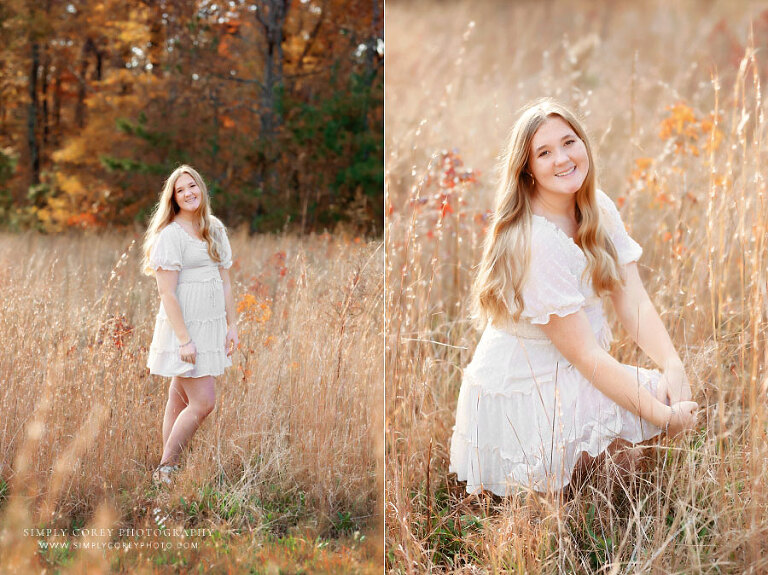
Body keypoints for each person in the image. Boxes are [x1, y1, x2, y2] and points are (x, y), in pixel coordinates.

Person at [449, 99, 699, 496]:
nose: (562, 158)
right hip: (528, 392)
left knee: (654, 407)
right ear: (527, 169)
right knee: (642, 424)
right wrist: (666, 418)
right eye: (544, 152)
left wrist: (672, 363)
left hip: (576, 370)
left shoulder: (595, 206)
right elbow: (585, 356)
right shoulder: (535, 241)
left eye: (569, 142)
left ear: (584, 143)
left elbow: (633, 300)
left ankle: (596, 490)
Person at [142, 165, 239, 486]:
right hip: (184, 328)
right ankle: (166, 468)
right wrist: (184, 340)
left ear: (201, 189)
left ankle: (167, 469)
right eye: (180, 189)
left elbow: (225, 281)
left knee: (179, 398)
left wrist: (231, 325)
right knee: (203, 402)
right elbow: (167, 293)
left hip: (210, 326)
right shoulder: (170, 235)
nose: (188, 193)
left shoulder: (214, 228)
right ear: (173, 197)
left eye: (192, 186)